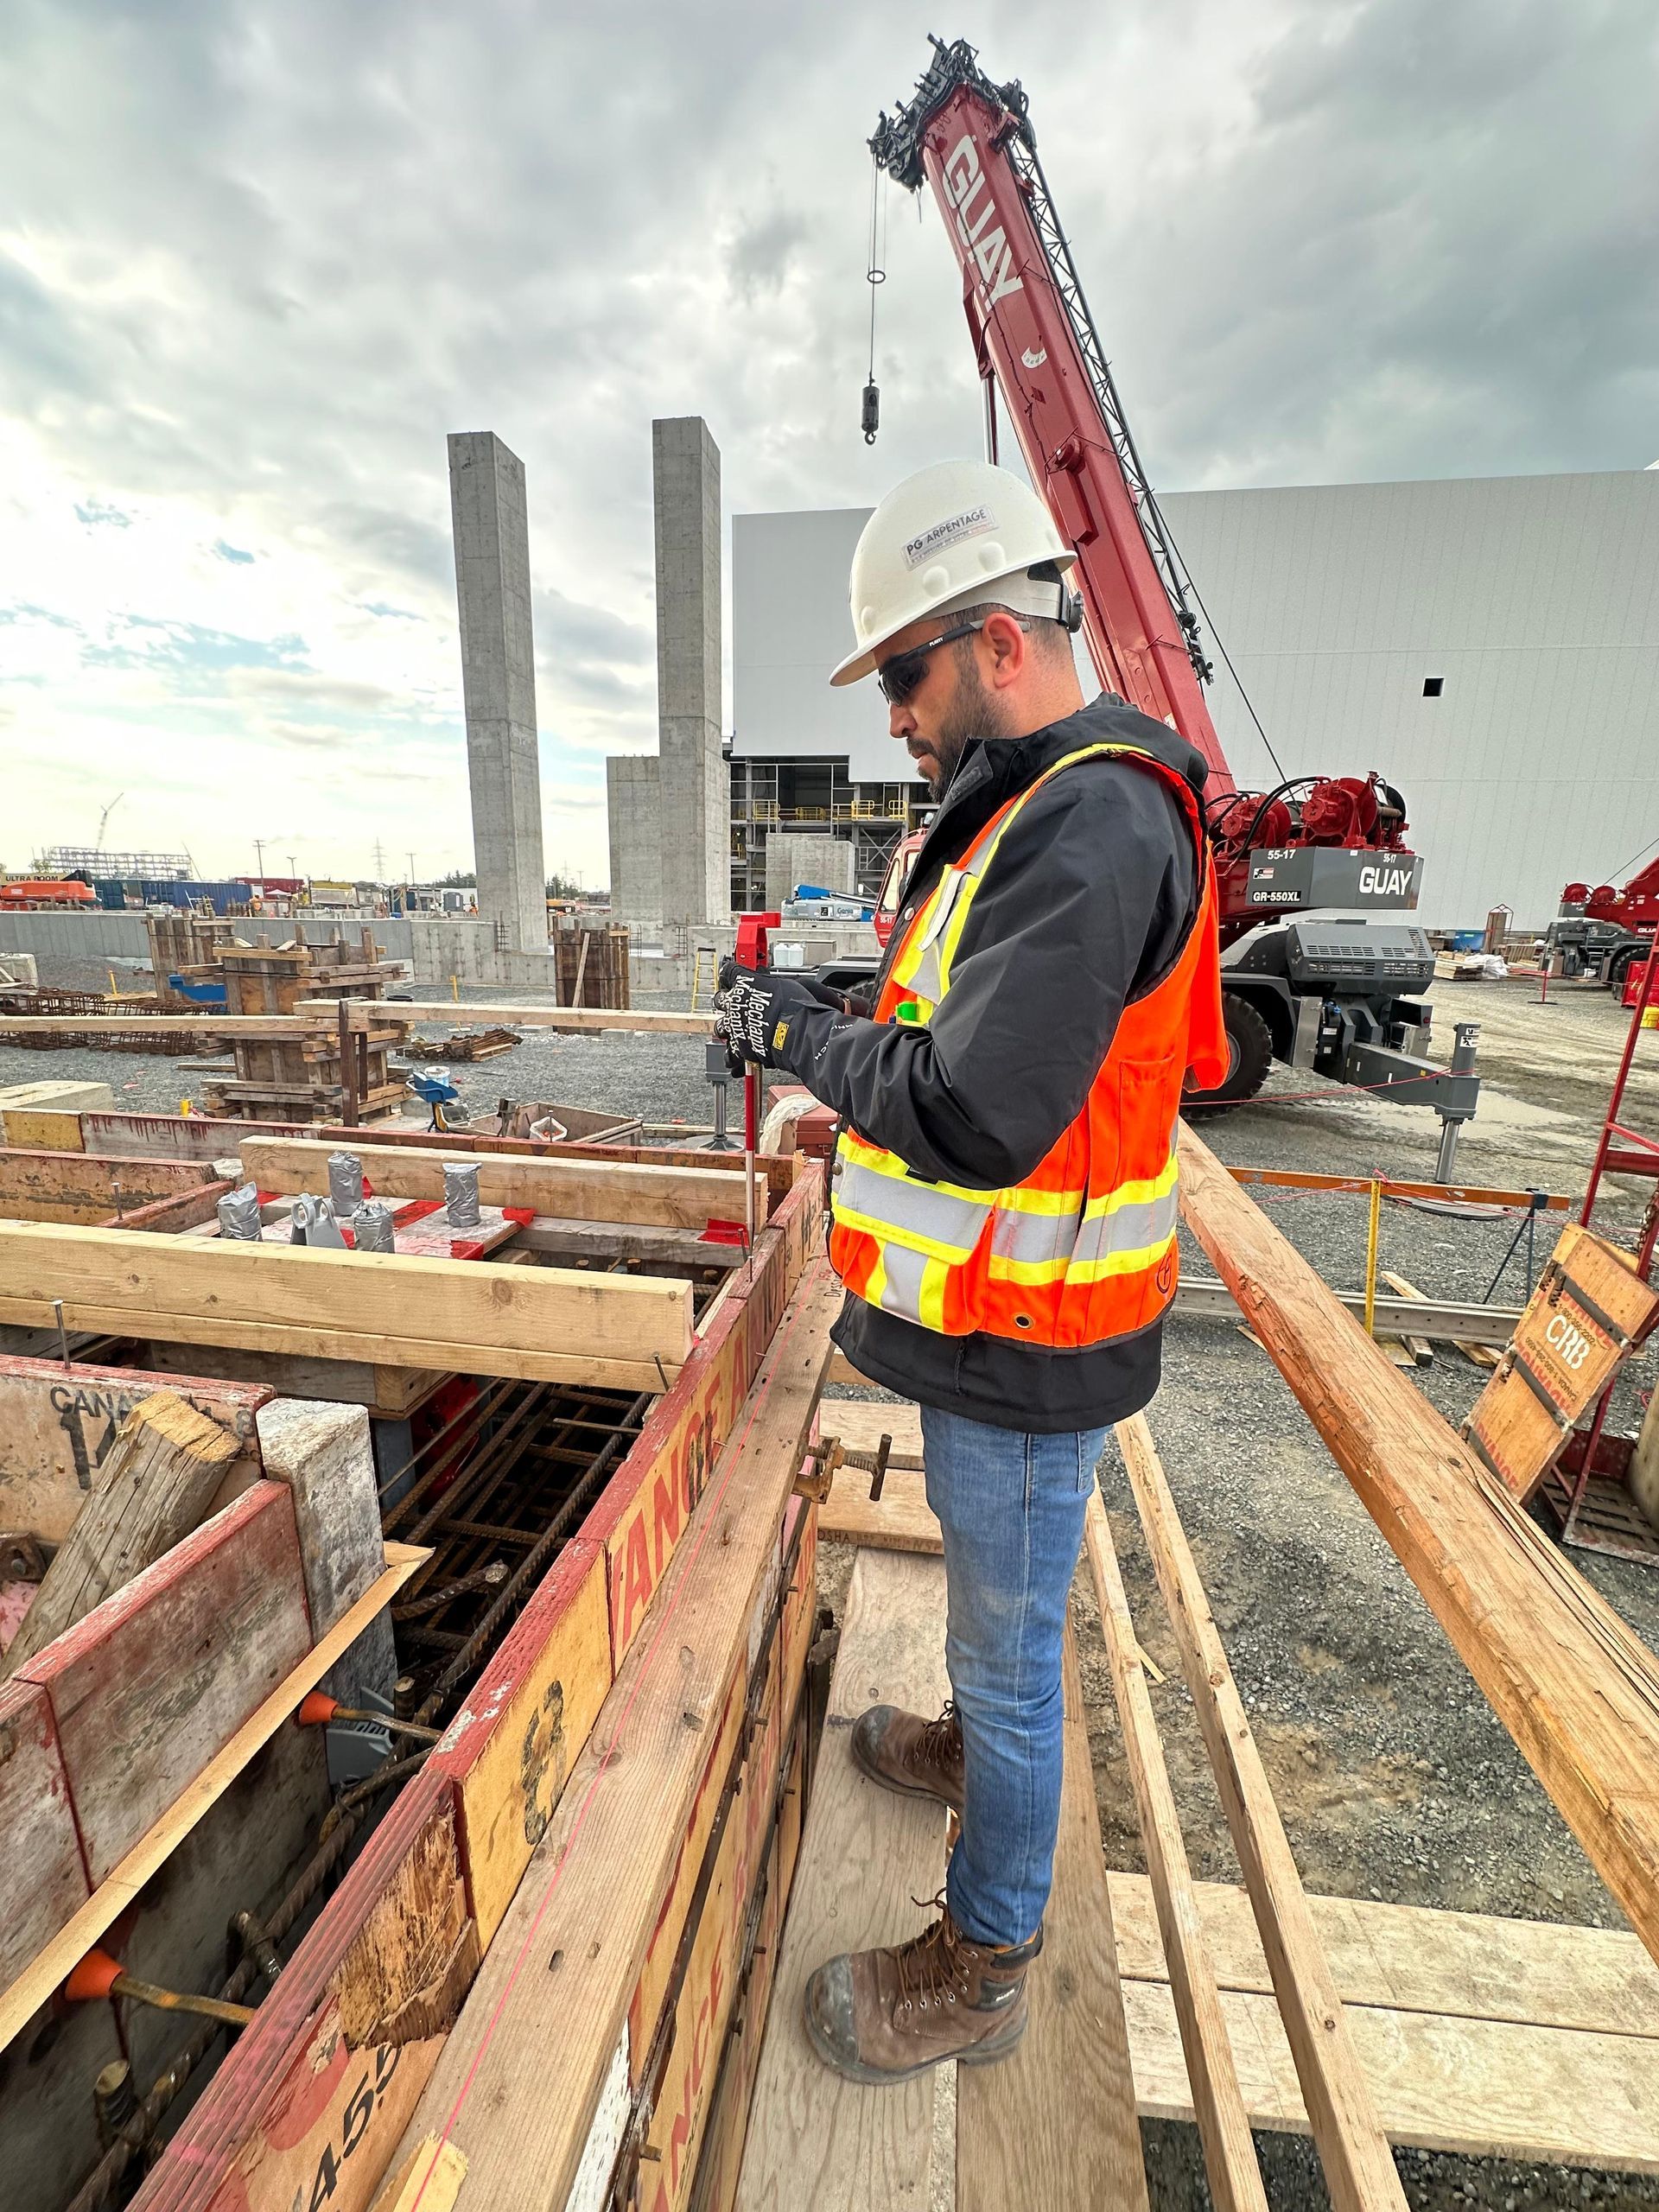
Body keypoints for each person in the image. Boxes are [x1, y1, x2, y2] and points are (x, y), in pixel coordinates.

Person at [714, 459, 1228, 2084]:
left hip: (1031, 1334)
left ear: (998, 642)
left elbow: (974, 1107)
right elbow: (956, 1034)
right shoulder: (1034, 806)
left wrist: (806, 1039)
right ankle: (969, 1752)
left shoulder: (1091, 815)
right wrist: (844, 1072)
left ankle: (989, 1952)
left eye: (908, 676)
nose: (895, 721)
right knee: (995, 1613)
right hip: (1000, 1323)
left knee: (1015, 1659)